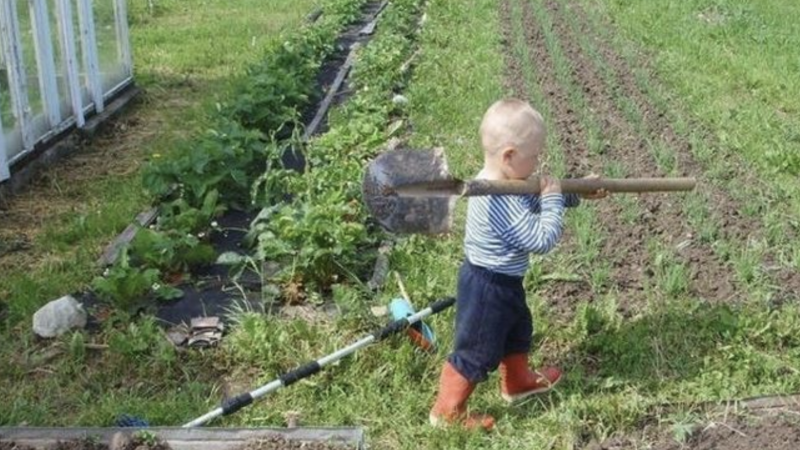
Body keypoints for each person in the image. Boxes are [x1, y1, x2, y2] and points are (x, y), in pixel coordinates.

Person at [429, 99, 607, 430]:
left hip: (504, 283)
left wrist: (577, 190)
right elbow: (541, 239)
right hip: (488, 287)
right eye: (535, 155)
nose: (539, 161)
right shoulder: (497, 198)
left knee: (517, 332)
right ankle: (446, 412)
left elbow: (533, 198)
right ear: (509, 156)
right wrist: (553, 199)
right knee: (477, 350)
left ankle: (517, 382)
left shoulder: (506, 181)